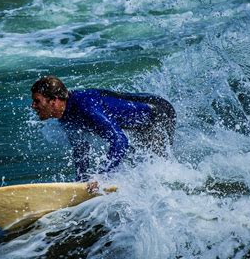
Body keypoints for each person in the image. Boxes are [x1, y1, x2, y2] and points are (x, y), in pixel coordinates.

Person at [31, 75, 176, 181]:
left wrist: (102, 176)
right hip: (141, 122)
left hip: (158, 113)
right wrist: (81, 181)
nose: (33, 106)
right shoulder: (64, 117)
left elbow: (120, 140)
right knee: (141, 163)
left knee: (159, 170)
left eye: (37, 101)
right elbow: (81, 149)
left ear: (54, 101)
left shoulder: (85, 106)